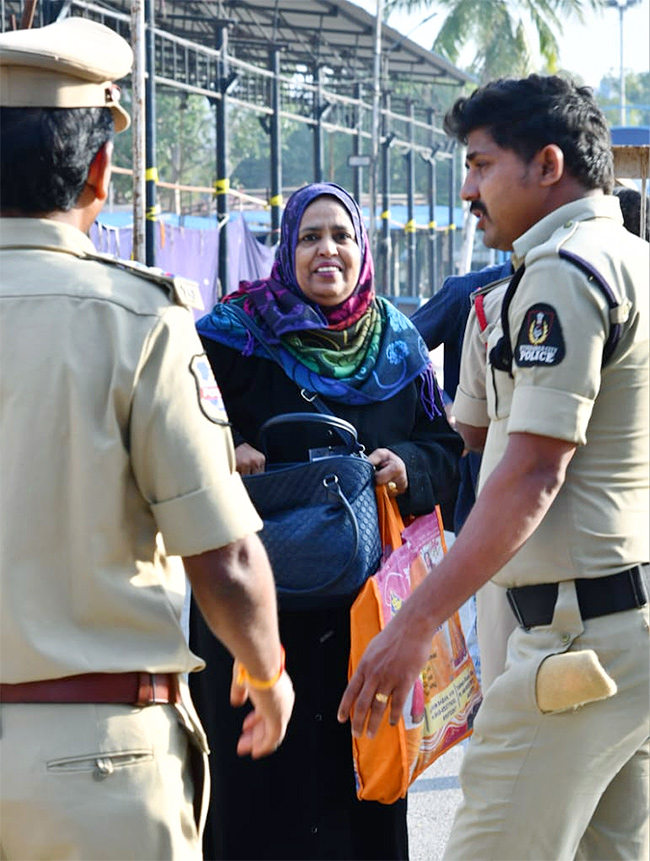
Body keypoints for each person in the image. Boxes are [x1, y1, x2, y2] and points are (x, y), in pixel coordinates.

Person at [0, 18, 293, 861]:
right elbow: (224, 556)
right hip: (95, 762)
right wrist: (266, 671)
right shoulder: (136, 319)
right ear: (99, 172)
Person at [338, 75, 649, 861]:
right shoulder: (628, 260)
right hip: (623, 631)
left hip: (574, 645)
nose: (469, 189)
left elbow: (533, 472)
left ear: (548, 166)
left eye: (480, 165)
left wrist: (415, 623)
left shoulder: (563, 272)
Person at [190, 181, 462, 861]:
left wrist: (408, 464)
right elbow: (175, 421)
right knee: (251, 796)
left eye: (340, 234)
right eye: (309, 236)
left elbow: (447, 455)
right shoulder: (232, 335)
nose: (326, 250)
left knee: (358, 794)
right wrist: (225, 443)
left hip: (366, 620)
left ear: (362, 246)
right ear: (286, 247)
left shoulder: (397, 346)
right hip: (251, 610)